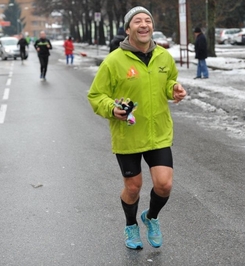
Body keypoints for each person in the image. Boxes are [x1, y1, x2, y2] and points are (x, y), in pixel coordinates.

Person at [87, 6, 186, 250]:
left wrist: (174, 89)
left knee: (164, 185)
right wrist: (112, 108)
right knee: (133, 187)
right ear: (128, 28)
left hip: (158, 132)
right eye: (137, 21)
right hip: (128, 134)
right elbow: (96, 95)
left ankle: (151, 217)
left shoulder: (164, 57)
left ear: (152, 26)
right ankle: (131, 225)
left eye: (148, 21)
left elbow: (169, 81)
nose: (144, 25)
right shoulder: (114, 61)